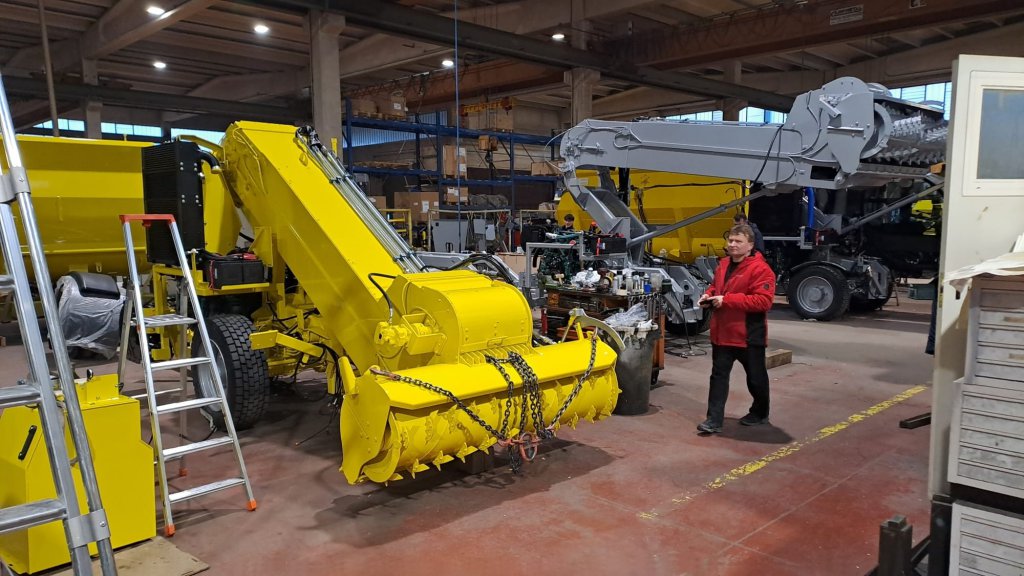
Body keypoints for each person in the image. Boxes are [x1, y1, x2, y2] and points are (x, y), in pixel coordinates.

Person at [696, 223, 776, 434]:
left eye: (738, 241)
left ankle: (760, 412)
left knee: (756, 378)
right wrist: (708, 295)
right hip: (722, 334)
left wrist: (727, 300)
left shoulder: (761, 270)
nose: (732, 244)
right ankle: (713, 420)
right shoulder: (723, 264)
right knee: (718, 377)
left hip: (748, 335)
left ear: (750, 245)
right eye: (730, 240)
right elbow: (716, 287)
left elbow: (763, 302)